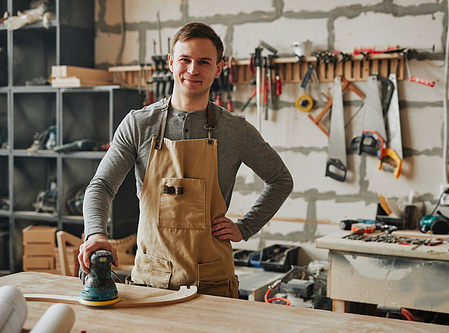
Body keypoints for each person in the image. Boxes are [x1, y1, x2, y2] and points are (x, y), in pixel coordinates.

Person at [78, 22, 293, 298]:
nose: (193, 70)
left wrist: (245, 227)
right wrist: (96, 233)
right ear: (170, 62)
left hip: (213, 285)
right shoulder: (139, 124)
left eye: (204, 61)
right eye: (185, 59)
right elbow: (101, 185)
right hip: (150, 283)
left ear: (219, 68)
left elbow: (281, 180)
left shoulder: (235, 129)